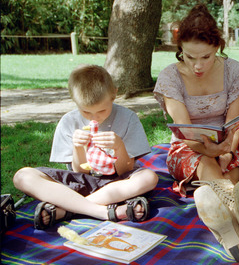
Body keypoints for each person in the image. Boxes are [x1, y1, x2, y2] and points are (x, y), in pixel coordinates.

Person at [153, 5, 239, 262]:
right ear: (180, 50)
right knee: (208, 163)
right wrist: (212, 151)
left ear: (217, 48)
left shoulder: (233, 71)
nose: (197, 66)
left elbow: (234, 123)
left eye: (205, 57)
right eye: (189, 57)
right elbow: (185, 131)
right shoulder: (170, 77)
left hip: (227, 144)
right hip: (189, 148)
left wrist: (228, 150)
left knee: (232, 167)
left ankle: (227, 226)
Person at [13, 65, 159, 229]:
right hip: (81, 183)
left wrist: (119, 147)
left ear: (114, 95)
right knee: (22, 176)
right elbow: (79, 172)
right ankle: (104, 212)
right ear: (74, 101)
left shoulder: (128, 118)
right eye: (86, 112)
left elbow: (126, 170)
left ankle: (67, 209)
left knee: (149, 177)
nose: (94, 117)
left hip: (117, 182)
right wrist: (78, 148)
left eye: (102, 110)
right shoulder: (69, 122)